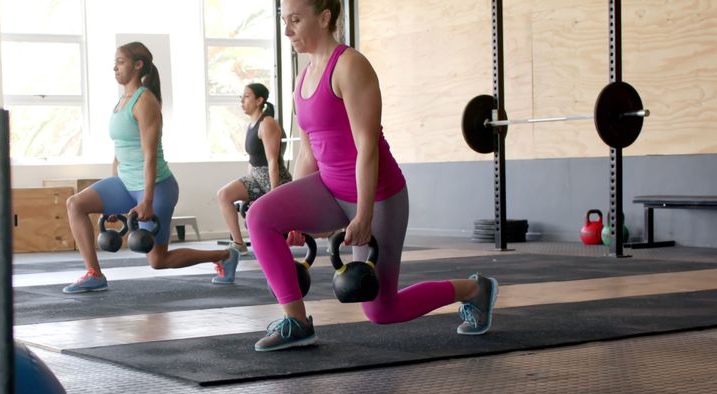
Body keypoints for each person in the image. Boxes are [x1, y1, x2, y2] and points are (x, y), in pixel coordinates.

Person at [245, 0, 499, 351]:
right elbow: (308, 152)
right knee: (260, 215)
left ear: (324, 17)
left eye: (295, 20)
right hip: (329, 190)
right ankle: (297, 322)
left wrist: (364, 215)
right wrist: (293, 217)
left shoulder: (350, 66)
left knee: (382, 310)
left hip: (378, 197)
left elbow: (368, 147)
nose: (287, 31)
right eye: (283, 21)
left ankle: (475, 289)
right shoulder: (302, 80)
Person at [63, 42, 241, 293]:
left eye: (121, 62)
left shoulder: (145, 101)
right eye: (115, 62)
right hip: (125, 184)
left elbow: (149, 157)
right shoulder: (120, 102)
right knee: (75, 204)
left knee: (158, 260)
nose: (115, 67)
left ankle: (224, 256)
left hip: (156, 187)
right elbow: (119, 153)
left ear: (138, 65)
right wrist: (113, 204)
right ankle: (94, 274)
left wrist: (146, 200)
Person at [216, 83, 293, 254]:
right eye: (242, 96)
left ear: (259, 100)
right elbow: (252, 159)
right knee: (224, 195)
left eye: (247, 96)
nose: (242, 100)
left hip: (273, 179)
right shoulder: (251, 125)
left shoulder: (267, 123)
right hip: (256, 177)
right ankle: (238, 244)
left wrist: (274, 195)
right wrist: (246, 186)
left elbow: (273, 162)